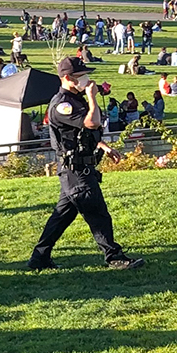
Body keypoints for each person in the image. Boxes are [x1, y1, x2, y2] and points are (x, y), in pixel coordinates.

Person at [26, 57, 142, 272]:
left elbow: (81, 133)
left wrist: (102, 145)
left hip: (77, 168)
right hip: (75, 170)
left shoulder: (74, 99)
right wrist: (91, 98)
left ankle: (39, 258)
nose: (87, 80)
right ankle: (114, 256)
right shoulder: (63, 104)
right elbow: (92, 121)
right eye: (81, 76)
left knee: (61, 217)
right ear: (68, 78)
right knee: (97, 212)